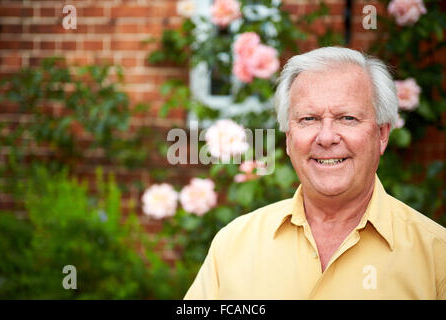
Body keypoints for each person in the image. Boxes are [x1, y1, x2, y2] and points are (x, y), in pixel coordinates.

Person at [184, 46, 446, 299]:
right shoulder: (233, 245)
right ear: (288, 138)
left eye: (347, 118)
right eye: (308, 119)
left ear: (382, 134)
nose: (327, 137)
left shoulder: (436, 257)